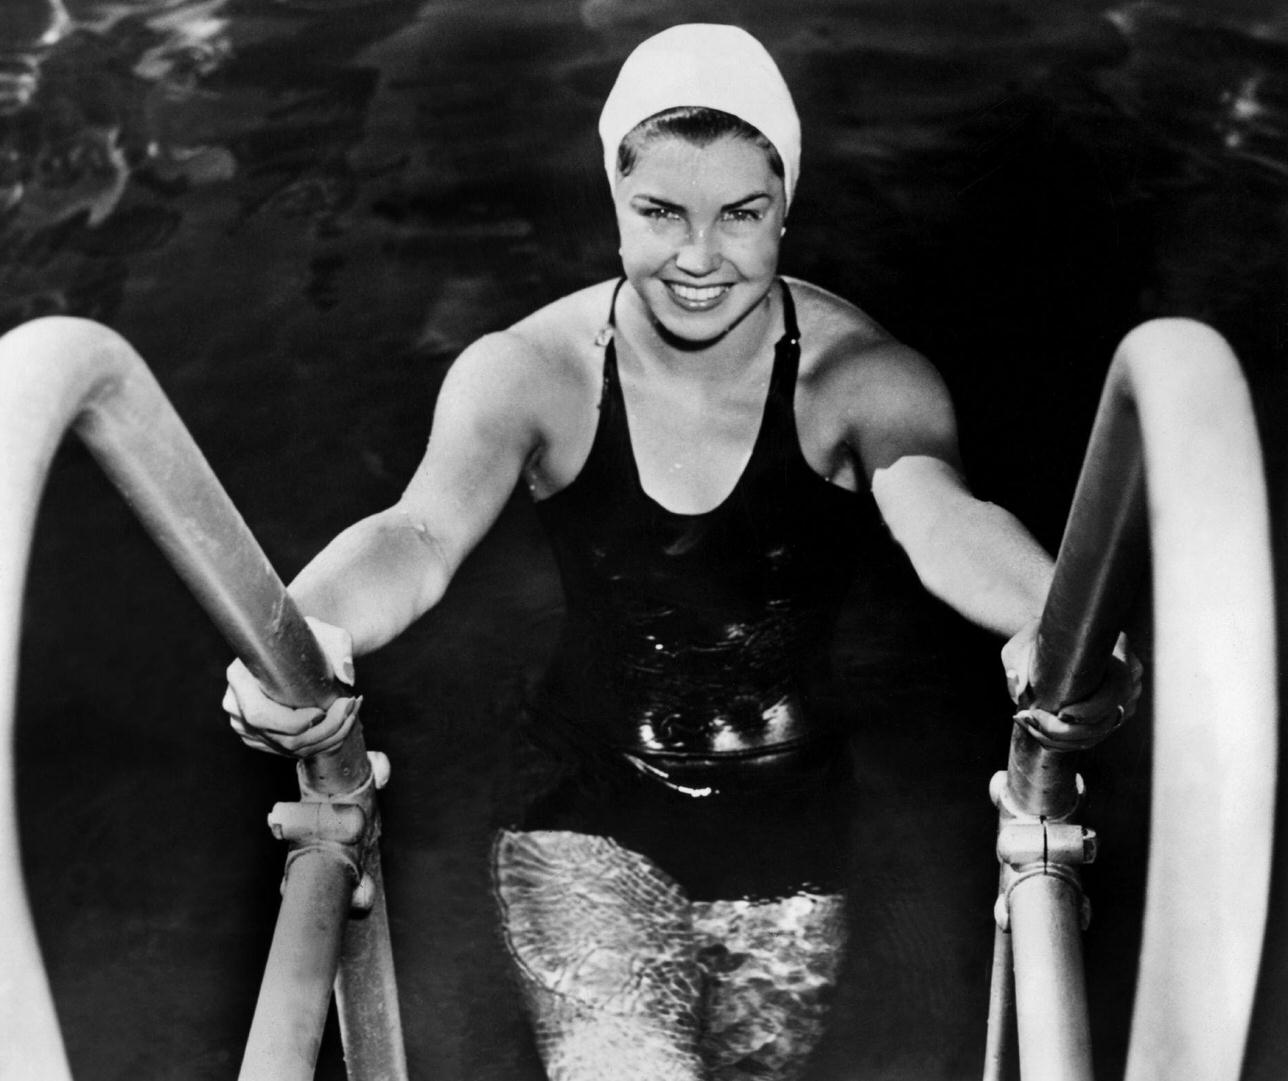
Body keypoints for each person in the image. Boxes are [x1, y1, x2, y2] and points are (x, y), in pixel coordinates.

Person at [223, 23, 1136, 1081]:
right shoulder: (531, 373)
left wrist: (1060, 627)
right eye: (659, 213)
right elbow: (419, 531)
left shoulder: (859, 379)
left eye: (740, 216)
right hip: (583, 816)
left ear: (785, 206)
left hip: (794, 841)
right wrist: (292, 629)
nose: (698, 258)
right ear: (611, 204)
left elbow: (942, 517)